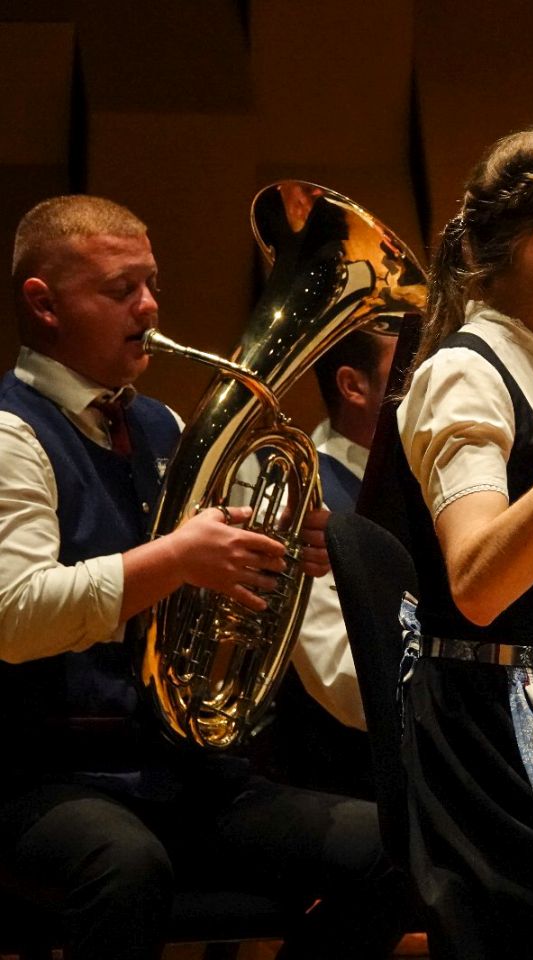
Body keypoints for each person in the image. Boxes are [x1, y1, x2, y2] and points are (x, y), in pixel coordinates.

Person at [0, 195, 406, 959]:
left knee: (394, 848)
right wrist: (179, 558)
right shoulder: (10, 435)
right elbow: (15, 618)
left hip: (179, 768)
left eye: (152, 284)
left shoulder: (161, 426)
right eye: (121, 289)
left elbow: (209, 585)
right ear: (44, 305)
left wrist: (278, 555)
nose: (149, 306)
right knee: (124, 868)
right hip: (44, 773)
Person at [267, 329, 396, 799]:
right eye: (410, 368)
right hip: (349, 777)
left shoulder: (431, 478)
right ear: (352, 386)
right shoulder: (301, 496)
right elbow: (341, 681)